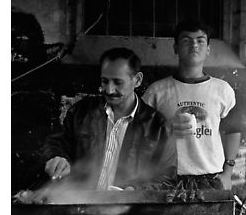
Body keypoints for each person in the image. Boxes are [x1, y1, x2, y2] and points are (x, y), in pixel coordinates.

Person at [43, 47, 176, 190]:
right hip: (79, 202)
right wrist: (57, 158)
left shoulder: (159, 126)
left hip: (128, 209)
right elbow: (57, 143)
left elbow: (167, 178)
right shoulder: (80, 112)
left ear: (137, 80)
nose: (109, 90)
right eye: (105, 81)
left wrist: (136, 191)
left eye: (118, 82)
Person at [143, 20, 241, 190]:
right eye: (186, 40)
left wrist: (227, 172)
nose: (194, 45)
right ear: (175, 48)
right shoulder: (156, 92)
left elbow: (233, 130)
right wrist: (166, 127)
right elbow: (139, 133)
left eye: (200, 40)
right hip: (166, 179)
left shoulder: (222, 90)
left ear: (208, 49)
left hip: (211, 177)